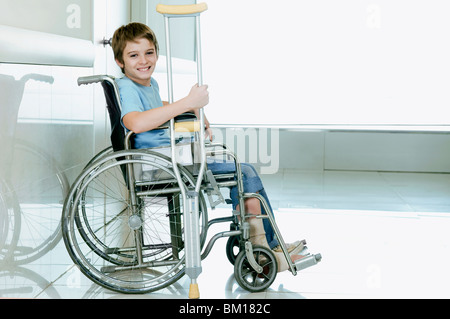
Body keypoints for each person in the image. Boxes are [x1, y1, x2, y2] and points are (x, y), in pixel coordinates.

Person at [111, 22, 304, 271]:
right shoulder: (126, 86)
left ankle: (268, 243)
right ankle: (263, 248)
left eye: (149, 53)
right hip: (161, 164)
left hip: (171, 157)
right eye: (133, 55)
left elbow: (156, 108)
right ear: (120, 61)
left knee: (245, 170)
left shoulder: (149, 84)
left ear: (157, 53)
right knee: (243, 171)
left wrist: (190, 107)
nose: (143, 60)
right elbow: (135, 122)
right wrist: (186, 103)